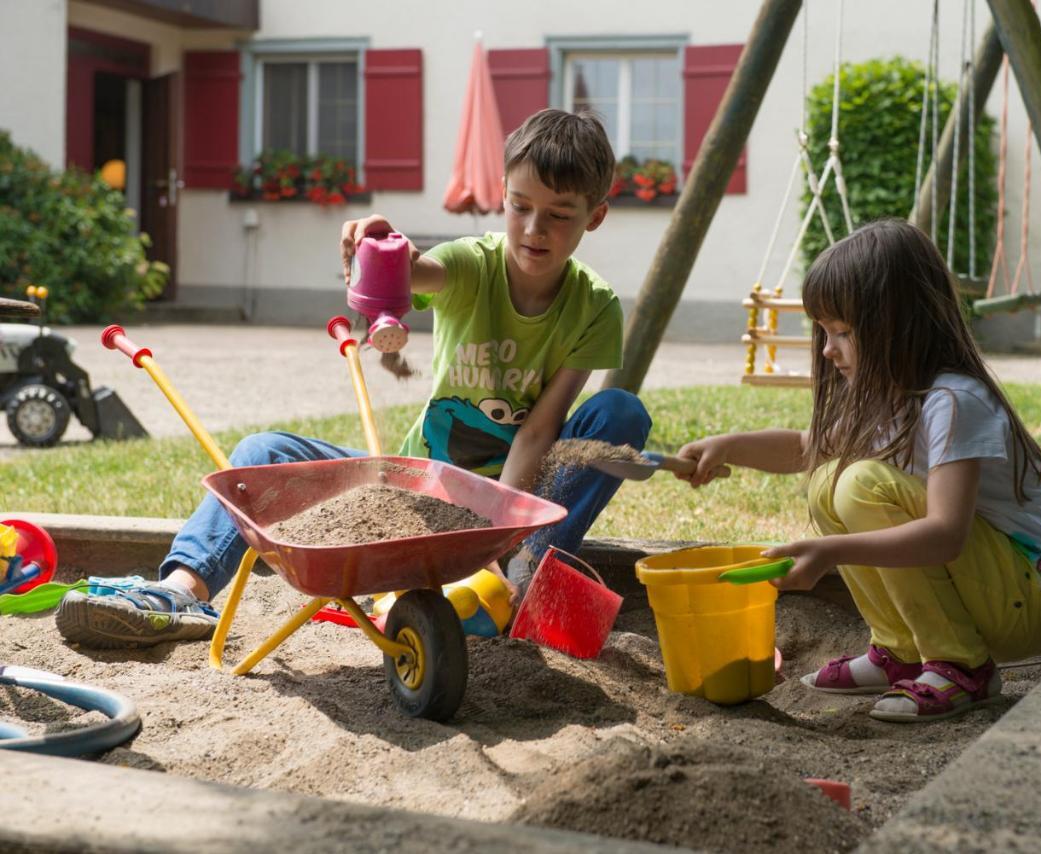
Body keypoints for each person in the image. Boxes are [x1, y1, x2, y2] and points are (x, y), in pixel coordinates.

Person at [57, 109, 649, 648]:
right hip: (418, 485)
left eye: (559, 215)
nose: (533, 229)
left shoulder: (594, 306)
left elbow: (538, 430)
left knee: (619, 413)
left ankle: (525, 583)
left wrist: (498, 537)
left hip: (516, 494)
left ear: (594, 216)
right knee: (260, 451)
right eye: (520, 206)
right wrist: (379, 246)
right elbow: (420, 272)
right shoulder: (476, 264)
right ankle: (180, 593)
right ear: (502, 196)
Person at [676, 219, 1041, 723]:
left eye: (843, 332)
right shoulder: (885, 397)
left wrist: (830, 551)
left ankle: (962, 666)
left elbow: (946, 535)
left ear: (899, 324)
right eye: (824, 332)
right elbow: (808, 448)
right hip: (991, 586)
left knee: (860, 485)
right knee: (829, 480)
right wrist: (728, 446)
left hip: (1031, 598)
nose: (828, 350)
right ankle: (902, 653)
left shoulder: (954, 401)